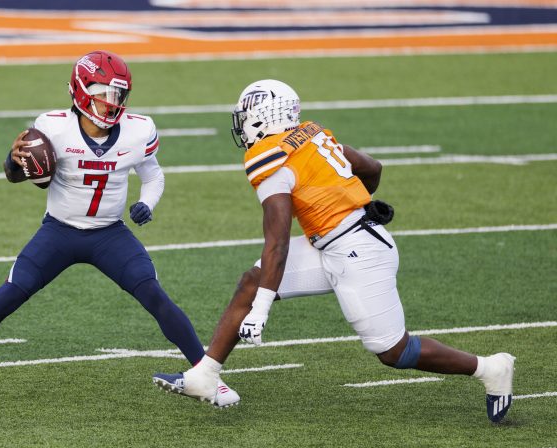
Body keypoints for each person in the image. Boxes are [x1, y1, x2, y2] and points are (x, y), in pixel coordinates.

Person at [153, 79, 515, 423]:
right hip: (335, 241)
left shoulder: (270, 157)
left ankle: (490, 368)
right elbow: (372, 168)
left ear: (263, 117)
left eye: (245, 118)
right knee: (252, 280)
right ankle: (206, 374)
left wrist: (261, 310)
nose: (243, 126)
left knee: (394, 352)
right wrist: (359, 202)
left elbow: (277, 240)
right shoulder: (310, 134)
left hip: (359, 252)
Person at [0, 50, 239, 409]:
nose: (112, 103)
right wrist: (12, 162)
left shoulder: (139, 130)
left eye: (118, 95)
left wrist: (147, 203)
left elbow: (153, 174)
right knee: (5, 298)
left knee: (155, 296)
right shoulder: (52, 126)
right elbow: (22, 175)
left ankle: (209, 378)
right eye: (104, 93)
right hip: (59, 233)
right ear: (80, 90)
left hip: (110, 234)